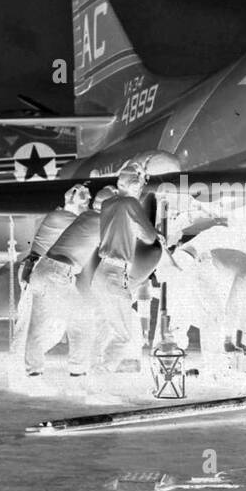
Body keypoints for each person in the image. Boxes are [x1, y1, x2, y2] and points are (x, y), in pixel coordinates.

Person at [23, 186, 116, 380]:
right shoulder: (80, 219)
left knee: (39, 327)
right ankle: (78, 374)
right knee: (82, 323)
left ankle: (33, 374)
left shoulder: (84, 218)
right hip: (56, 274)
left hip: (43, 271)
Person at [92, 159, 166, 373]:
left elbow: (123, 228)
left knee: (104, 328)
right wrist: (152, 231)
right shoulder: (131, 204)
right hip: (116, 274)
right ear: (134, 185)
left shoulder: (109, 204)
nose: (142, 188)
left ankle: (89, 378)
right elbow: (150, 235)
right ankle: (100, 376)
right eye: (141, 184)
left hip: (101, 272)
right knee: (123, 335)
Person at [10, 185, 90, 375]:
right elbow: (91, 227)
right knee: (34, 327)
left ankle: (25, 372)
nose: (88, 204)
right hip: (41, 272)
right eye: (85, 200)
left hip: (41, 273)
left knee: (40, 327)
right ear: (74, 200)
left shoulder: (62, 216)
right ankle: (26, 373)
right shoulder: (63, 217)